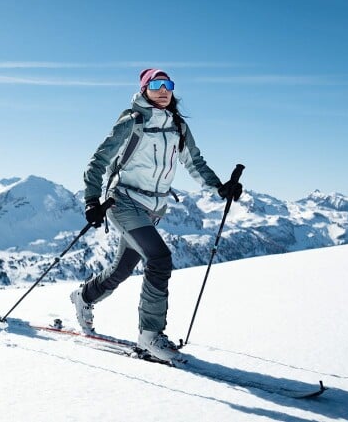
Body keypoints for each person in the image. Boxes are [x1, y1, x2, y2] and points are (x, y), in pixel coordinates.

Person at [71, 68, 243, 361]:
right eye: (156, 85)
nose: (164, 90)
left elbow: (195, 162)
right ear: (144, 89)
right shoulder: (132, 122)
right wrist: (91, 201)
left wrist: (219, 188)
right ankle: (150, 336)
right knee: (160, 258)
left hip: (153, 208)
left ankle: (84, 296)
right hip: (123, 202)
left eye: (168, 85)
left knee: (123, 268)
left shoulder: (178, 127)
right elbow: (97, 161)